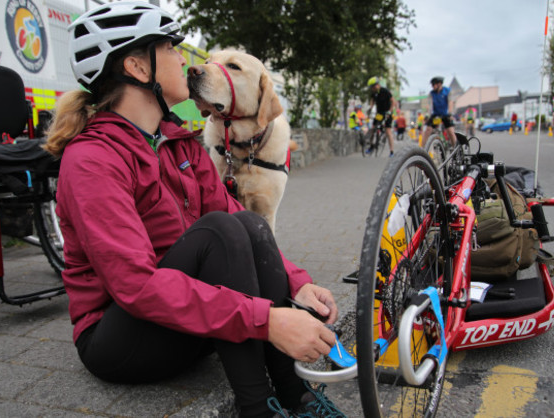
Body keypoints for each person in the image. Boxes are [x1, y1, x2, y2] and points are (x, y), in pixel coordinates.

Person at [43, 3, 345, 418]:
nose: (184, 60)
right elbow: (135, 287)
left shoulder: (180, 145)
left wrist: (298, 286)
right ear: (136, 66)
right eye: (170, 48)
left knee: (247, 222)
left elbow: (237, 220)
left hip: (184, 322)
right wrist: (269, 321)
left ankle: (299, 399)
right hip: (119, 339)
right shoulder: (93, 159)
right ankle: (258, 408)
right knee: (221, 228)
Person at [366, 76, 397, 156]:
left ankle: (391, 151)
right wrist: (370, 108)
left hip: (387, 113)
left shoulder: (385, 91)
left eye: (372, 87)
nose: (372, 89)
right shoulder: (374, 93)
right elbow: (372, 101)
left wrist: (390, 111)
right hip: (379, 114)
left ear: (376, 85)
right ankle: (371, 146)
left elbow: (393, 101)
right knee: (373, 128)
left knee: (388, 131)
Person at [422, 76, 456, 147]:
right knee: (428, 130)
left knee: (450, 132)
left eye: (433, 84)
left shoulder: (447, 91)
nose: (432, 86)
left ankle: (454, 147)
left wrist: (450, 113)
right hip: (436, 115)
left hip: (445, 114)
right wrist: (427, 115)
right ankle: (422, 149)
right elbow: (430, 105)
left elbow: (450, 102)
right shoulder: (431, 93)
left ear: (439, 84)